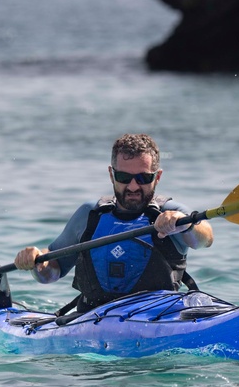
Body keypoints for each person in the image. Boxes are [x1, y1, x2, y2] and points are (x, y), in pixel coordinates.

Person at [14, 133, 213, 313]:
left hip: (158, 319)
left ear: (157, 177)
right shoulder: (89, 215)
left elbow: (205, 239)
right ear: (112, 175)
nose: (133, 186)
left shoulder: (172, 214)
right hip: (91, 319)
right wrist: (36, 261)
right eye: (124, 177)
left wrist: (184, 224)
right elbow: (51, 273)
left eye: (143, 178)